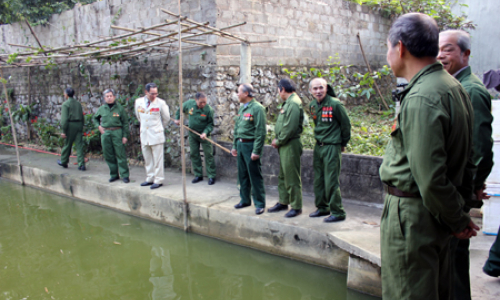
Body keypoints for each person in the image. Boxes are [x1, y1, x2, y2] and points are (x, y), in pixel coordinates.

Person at [379, 13, 480, 299]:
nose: (388, 57)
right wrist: (458, 212)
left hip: (413, 218)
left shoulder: (423, 95)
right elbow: (466, 160)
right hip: (432, 215)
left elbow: (431, 177)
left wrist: (459, 221)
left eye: (388, 49)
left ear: (400, 48)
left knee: (407, 292)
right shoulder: (452, 87)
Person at [438, 29, 494, 300]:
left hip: (459, 194)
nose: (440, 55)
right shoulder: (455, 86)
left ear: (465, 54)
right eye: (438, 49)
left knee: (454, 264)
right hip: (459, 190)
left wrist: (469, 191)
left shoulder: (470, 90)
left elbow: (481, 148)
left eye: (447, 49)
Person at [308, 78, 351, 222]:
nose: (318, 91)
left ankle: (337, 212)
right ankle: (322, 207)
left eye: (321, 88)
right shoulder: (313, 105)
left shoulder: (335, 104)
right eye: (315, 88)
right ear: (311, 91)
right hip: (318, 146)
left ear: (326, 88)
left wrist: (342, 143)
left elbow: (345, 125)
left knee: (331, 180)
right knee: (319, 180)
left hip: (332, 146)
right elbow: (317, 123)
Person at [268, 78, 304, 218]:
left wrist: (279, 140)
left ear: (282, 89)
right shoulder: (288, 103)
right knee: (283, 175)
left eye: (278, 90)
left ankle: (296, 206)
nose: (278, 93)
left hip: (290, 143)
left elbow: (290, 127)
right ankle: (283, 202)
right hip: (284, 144)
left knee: (292, 177)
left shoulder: (294, 103)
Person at [231, 83, 267, 214]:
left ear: (246, 93)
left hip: (250, 145)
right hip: (241, 145)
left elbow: (261, 131)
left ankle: (260, 203)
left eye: (239, 92)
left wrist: (256, 150)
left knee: (254, 175)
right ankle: (244, 200)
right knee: (242, 175)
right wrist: (235, 146)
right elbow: (237, 129)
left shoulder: (258, 108)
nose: (237, 94)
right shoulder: (242, 109)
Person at [174, 92, 216, 185]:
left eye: (204, 102)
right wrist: (177, 118)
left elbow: (210, 124)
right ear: (196, 100)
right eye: (201, 102)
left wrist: (205, 132)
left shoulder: (208, 110)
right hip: (193, 134)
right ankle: (198, 175)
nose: (203, 104)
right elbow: (180, 108)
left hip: (204, 135)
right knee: (194, 153)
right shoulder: (189, 104)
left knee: (208, 155)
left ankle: (211, 176)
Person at [135, 83, 170, 189]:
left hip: (156, 134)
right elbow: (139, 116)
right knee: (147, 158)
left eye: (156, 93)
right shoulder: (138, 102)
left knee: (158, 159)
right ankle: (150, 177)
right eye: (152, 93)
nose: (154, 95)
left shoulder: (161, 103)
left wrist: (158, 128)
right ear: (146, 92)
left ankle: (158, 179)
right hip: (145, 134)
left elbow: (166, 118)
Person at [92, 89, 130, 183]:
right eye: (107, 96)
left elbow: (125, 123)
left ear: (114, 97)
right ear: (104, 98)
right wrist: (99, 127)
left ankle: (124, 175)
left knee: (120, 154)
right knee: (108, 154)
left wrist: (125, 136)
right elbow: (95, 118)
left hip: (117, 131)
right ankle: (114, 174)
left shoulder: (119, 108)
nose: (109, 98)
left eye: (111, 96)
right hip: (106, 133)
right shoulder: (102, 108)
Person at [57, 87, 85, 170]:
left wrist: (64, 131)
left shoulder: (66, 104)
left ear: (66, 94)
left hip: (70, 125)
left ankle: (64, 161)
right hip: (79, 124)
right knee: (79, 145)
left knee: (67, 144)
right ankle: (81, 164)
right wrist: (81, 125)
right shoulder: (78, 103)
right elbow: (82, 116)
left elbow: (64, 119)